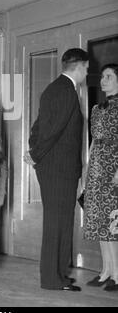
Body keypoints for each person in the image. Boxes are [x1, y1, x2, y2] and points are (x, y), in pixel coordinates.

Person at [24, 48, 89, 291]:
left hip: (55, 167)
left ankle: (60, 273)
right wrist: (35, 154)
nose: (86, 73)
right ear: (80, 66)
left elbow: (38, 127)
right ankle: (52, 279)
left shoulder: (54, 88)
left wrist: (34, 151)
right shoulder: (67, 92)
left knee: (61, 221)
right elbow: (52, 131)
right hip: (58, 169)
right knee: (57, 223)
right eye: (87, 68)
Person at [84, 64, 118, 291]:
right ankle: (106, 270)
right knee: (100, 223)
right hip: (97, 168)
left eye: (109, 76)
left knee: (113, 223)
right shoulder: (96, 108)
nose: (103, 80)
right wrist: (88, 169)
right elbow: (94, 141)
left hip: (113, 167)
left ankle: (117, 274)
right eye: (103, 76)